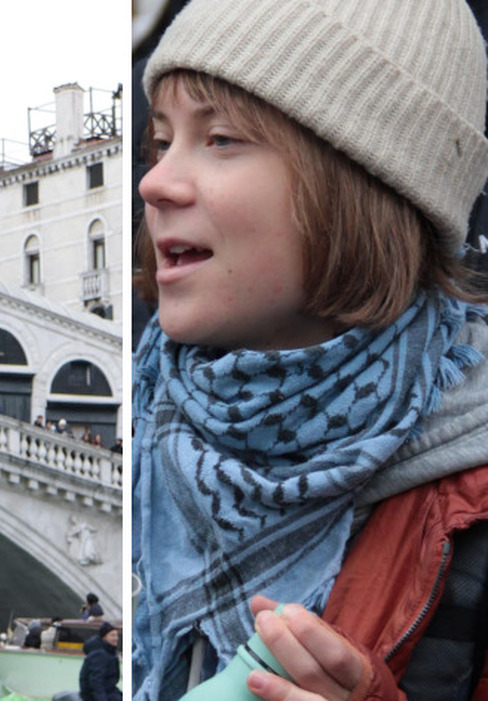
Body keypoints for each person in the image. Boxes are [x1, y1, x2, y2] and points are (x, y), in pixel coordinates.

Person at [132, 1, 488, 700]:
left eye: (223, 138)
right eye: (161, 142)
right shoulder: (145, 416)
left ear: (363, 184)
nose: (154, 183)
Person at [79, 621, 121, 701]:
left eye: (116, 635)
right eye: (112, 635)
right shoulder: (100, 654)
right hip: (96, 695)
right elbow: (96, 682)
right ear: (104, 637)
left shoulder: (109, 652)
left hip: (108, 691)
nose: (116, 638)